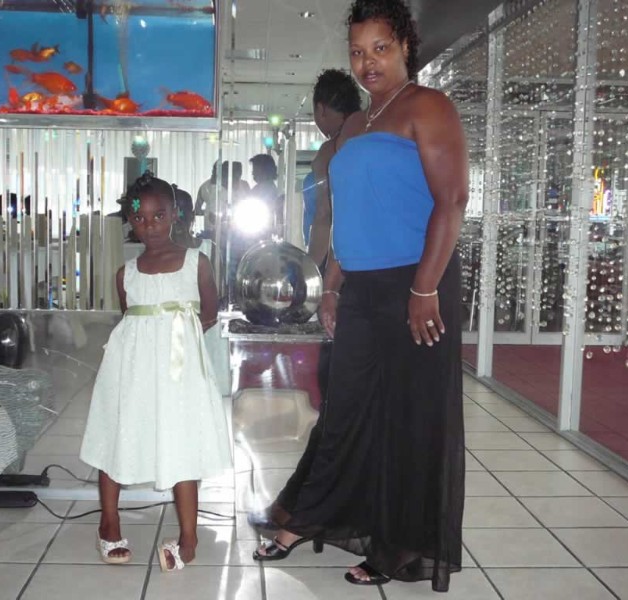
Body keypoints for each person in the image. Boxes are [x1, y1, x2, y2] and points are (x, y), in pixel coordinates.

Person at [253, 0, 468, 592]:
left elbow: (452, 201)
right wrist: (333, 286)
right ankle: (310, 516)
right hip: (362, 286)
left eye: (380, 48)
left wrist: (424, 288)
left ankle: (396, 543)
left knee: (407, 420)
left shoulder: (429, 106)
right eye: (357, 51)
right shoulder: (354, 126)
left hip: (418, 282)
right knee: (345, 410)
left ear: (405, 46)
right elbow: (348, 215)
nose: (367, 62)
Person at [79, 171, 232, 569]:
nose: (150, 226)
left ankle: (189, 536)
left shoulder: (197, 263)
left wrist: (175, 341)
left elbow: (210, 312)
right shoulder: (125, 273)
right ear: (130, 220)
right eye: (140, 218)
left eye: (159, 216)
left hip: (180, 372)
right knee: (118, 434)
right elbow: (130, 319)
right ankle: (108, 522)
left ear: (175, 214)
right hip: (131, 369)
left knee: (181, 441)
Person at [306, 69, 362, 266]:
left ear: (321, 109)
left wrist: (311, 268)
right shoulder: (375, 138)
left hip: (342, 258)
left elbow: (324, 214)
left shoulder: (329, 152)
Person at [248, 154, 281, 231]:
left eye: (255, 169)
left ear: (263, 170)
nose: (252, 173)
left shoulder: (263, 190)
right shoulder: (270, 188)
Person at [195, 161, 219, 237]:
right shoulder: (204, 187)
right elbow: (197, 210)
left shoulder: (229, 187)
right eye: (215, 170)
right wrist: (208, 213)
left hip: (226, 230)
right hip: (209, 229)